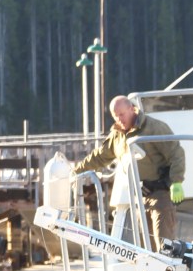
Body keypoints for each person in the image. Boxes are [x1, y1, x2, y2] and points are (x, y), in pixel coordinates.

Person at [73, 94, 186, 250]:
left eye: (122, 114)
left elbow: (176, 153)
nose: (119, 119)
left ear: (132, 109)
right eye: (116, 116)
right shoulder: (117, 136)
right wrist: (77, 170)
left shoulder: (153, 128)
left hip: (161, 196)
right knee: (146, 250)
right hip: (140, 197)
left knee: (164, 248)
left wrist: (176, 182)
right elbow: (100, 156)